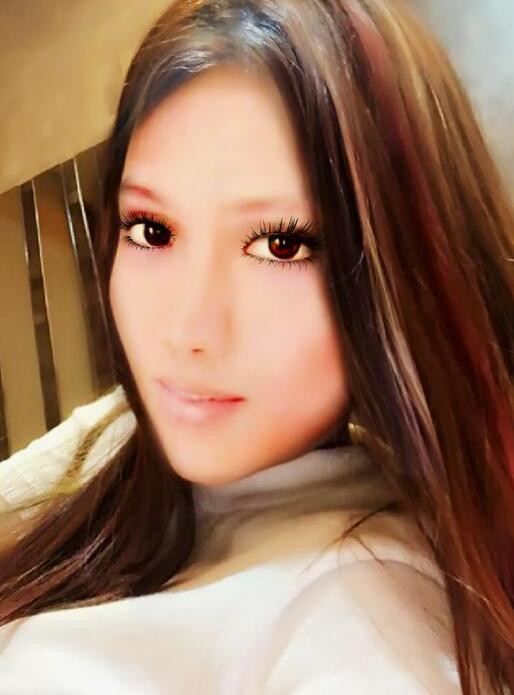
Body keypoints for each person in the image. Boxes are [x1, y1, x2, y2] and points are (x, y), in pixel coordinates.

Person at [0, 0, 512, 692]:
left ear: (405, 273)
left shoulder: (367, 619)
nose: (188, 328)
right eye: (151, 229)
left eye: (280, 245)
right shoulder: (121, 463)